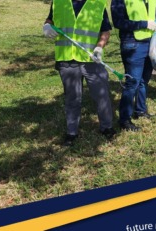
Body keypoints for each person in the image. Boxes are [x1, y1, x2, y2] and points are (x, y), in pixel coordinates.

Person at [42, 0, 115, 146]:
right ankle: (72, 132)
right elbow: (50, 19)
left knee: (102, 95)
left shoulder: (98, 4)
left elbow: (105, 31)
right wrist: (46, 25)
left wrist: (100, 47)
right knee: (72, 98)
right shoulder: (58, 2)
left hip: (92, 59)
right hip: (67, 59)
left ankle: (107, 127)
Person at [111, 0, 156, 131]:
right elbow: (118, 22)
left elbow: (155, 15)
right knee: (132, 82)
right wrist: (144, 24)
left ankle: (140, 111)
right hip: (132, 44)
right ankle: (124, 120)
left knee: (144, 81)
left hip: (150, 42)